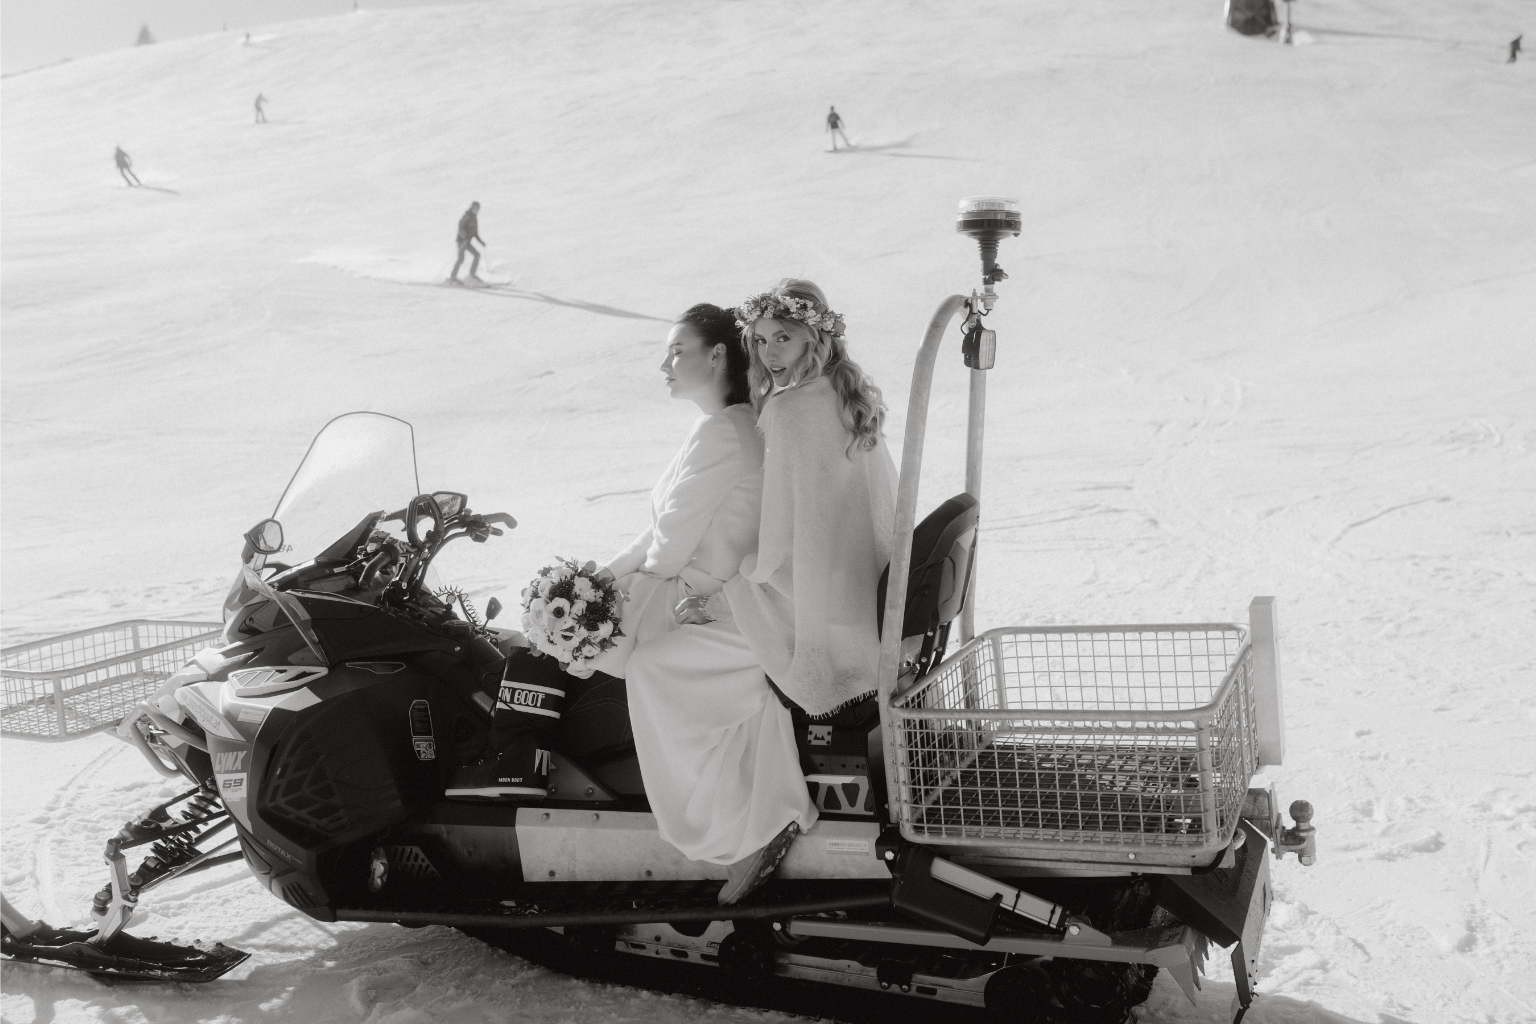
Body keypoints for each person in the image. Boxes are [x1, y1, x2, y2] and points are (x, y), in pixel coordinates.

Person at [627, 279, 897, 905]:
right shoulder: (838, 397)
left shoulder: (791, 410)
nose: (771, 353)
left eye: (786, 337)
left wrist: (722, 600)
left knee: (652, 666)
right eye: (763, 340)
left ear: (816, 335)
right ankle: (761, 794)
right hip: (848, 601)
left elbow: (778, 548)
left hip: (811, 614)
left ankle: (746, 821)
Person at [447, 303, 763, 799]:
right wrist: (598, 580)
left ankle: (513, 765)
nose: (664, 366)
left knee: (547, 632)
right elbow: (657, 533)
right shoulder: (723, 425)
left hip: (684, 599)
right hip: (681, 585)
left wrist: (594, 595)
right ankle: (527, 759)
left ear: (719, 355)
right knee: (557, 612)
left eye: (677, 352)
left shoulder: (726, 431)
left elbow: (667, 548)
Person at [450, 202, 484, 283]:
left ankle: (471, 275)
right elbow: (460, 227)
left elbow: (475, 233)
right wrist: (464, 236)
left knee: (477, 255)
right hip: (461, 241)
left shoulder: (475, 219)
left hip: (467, 242)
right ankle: (452, 277)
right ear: (472, 208)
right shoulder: (466, 217)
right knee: (461, 258)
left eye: (478, 209)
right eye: (475, 208)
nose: (477, 211)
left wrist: (481, 242)